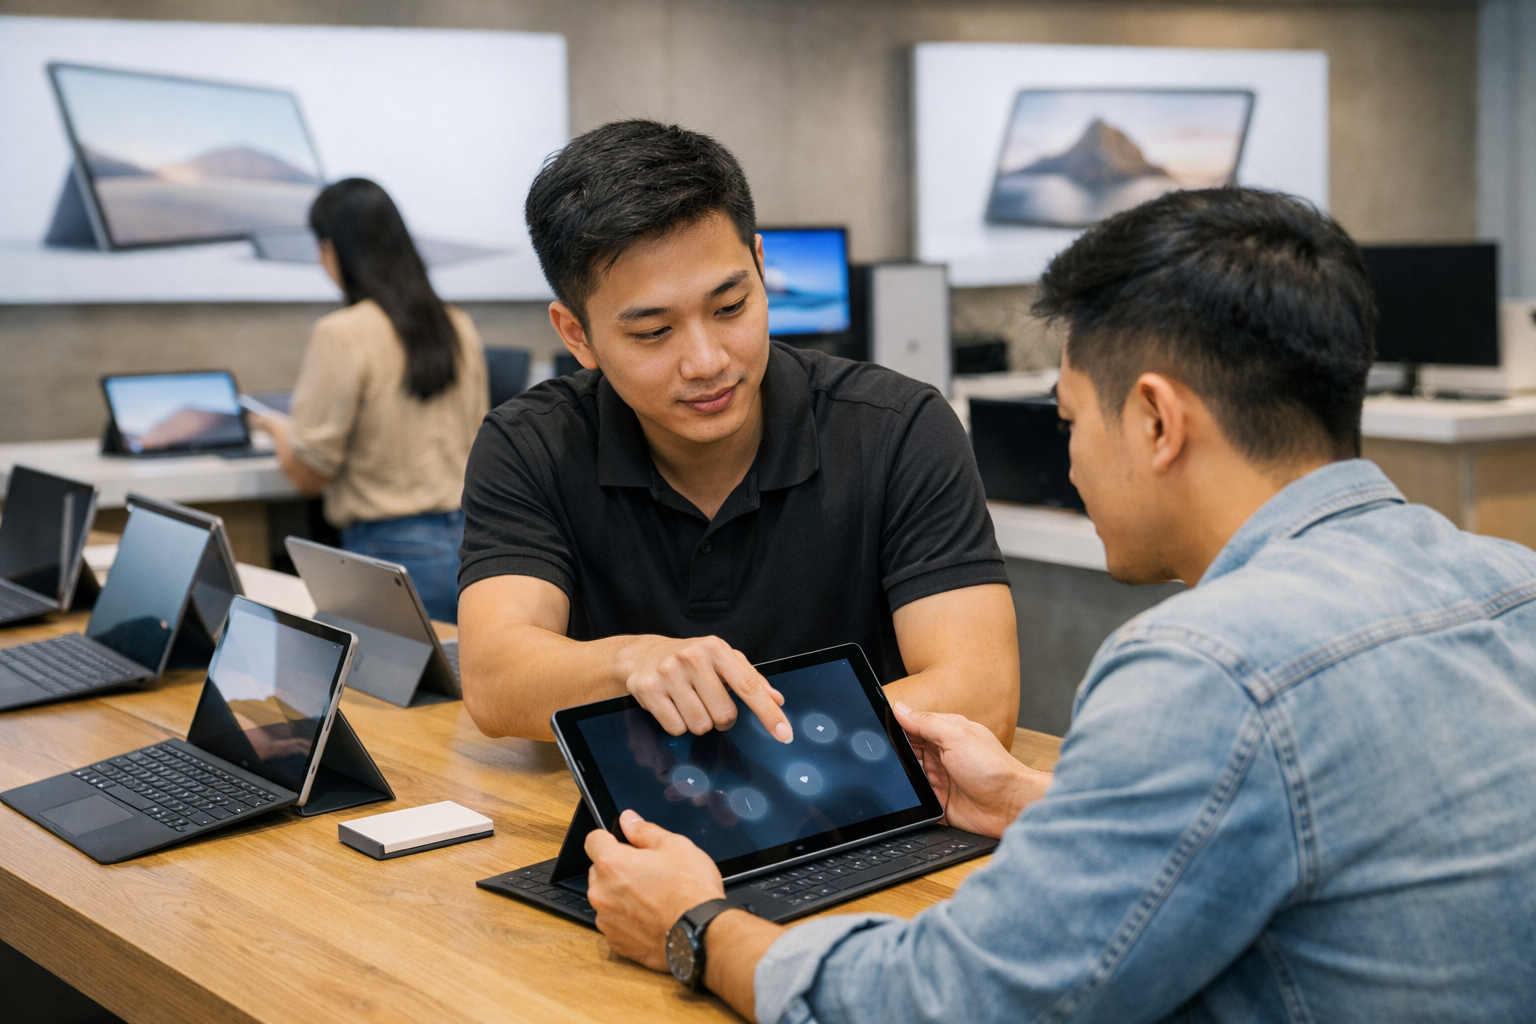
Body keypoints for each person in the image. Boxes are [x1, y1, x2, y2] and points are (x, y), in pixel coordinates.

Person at [580, 187, 1536, 1023]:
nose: (1070, 461)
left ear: (1157, 421)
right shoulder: (1510, 580)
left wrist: (694, 926)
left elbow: (949, 1003)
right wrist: (1042, 804)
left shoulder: (1206, 667)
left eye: (1071, 420)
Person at [456, 120, 1019, 746]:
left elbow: (980, 692)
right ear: (576, 335)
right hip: (632, 824)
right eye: (652, 333)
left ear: (758, 264)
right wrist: (630, 662)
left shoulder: (898, 429)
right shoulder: (530, 444)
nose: (707, 362)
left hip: (861, 813)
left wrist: (747, 751)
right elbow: (494, 679)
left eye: (730, 308)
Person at [253, 178, 488, 623]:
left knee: (379, 694)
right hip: (470, 546)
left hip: (386, 556)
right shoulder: (458, 325)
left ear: (334, 251)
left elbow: (309, 475)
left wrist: (276, 428)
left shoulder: (341, 334)